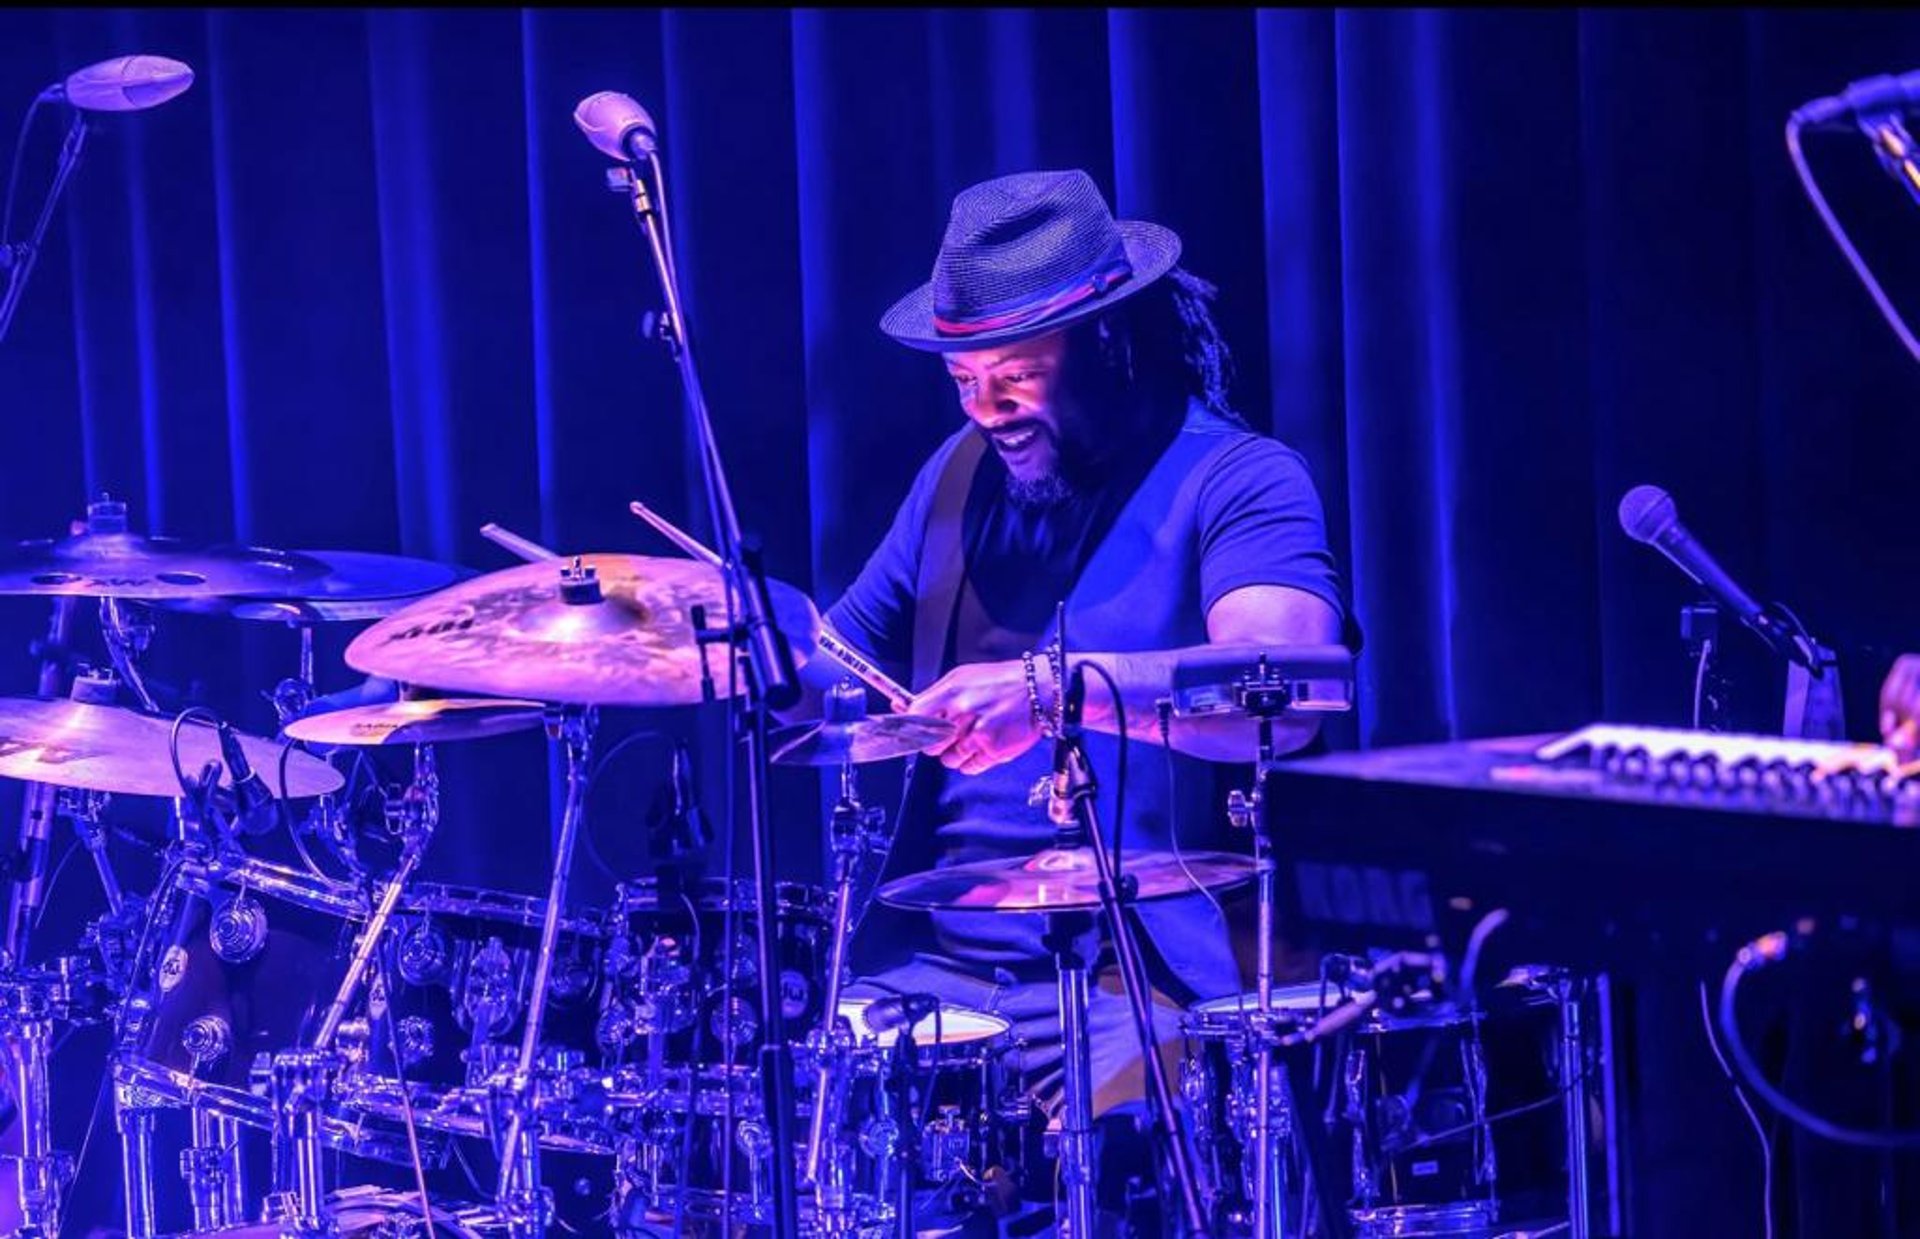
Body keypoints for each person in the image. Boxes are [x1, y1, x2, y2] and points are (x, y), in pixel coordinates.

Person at [807, 168, 1354, 1228]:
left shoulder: (1237, 481)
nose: (986, 408)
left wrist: (1059, 692)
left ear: (1110, 339)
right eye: (964, 378)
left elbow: (1293, 687)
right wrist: (700, 640)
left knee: (1119, 1153)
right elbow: (835, 669)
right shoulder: (957, 478)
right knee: (806, 1102)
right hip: (940, 967)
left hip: (1149, 979)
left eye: (1013, 373)